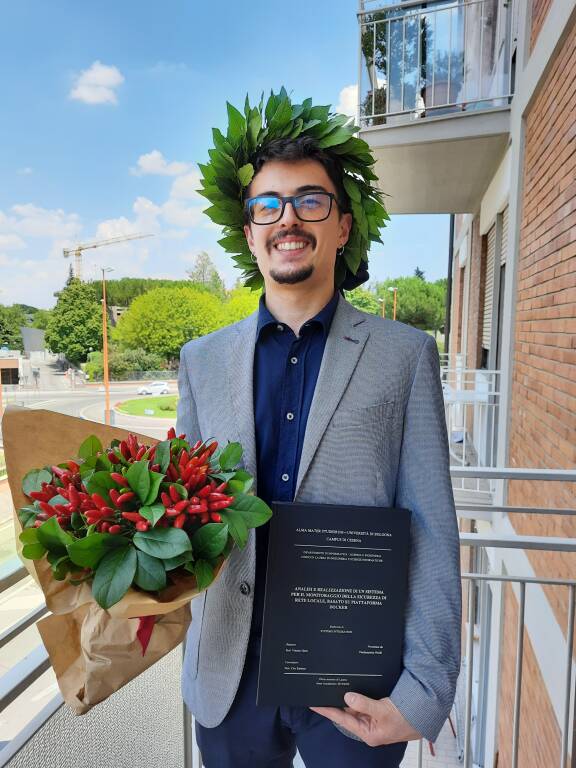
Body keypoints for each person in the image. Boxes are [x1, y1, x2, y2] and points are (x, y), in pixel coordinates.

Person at [176, 89, 461, 768]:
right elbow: (179, 513)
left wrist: (423, 692)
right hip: (228, 676)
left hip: (354, 682)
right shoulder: (201, 361)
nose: (288, 219)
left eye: (310, 200)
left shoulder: (405, 355)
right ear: (249, 233)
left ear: (340, 225)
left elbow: (431, 526)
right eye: (268, 206)